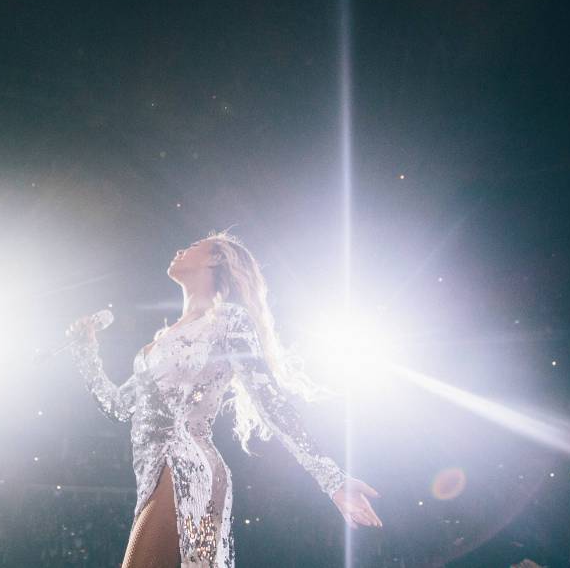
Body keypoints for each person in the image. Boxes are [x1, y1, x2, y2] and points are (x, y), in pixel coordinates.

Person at [67, 232, 382, 568]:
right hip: (153, 474)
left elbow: (270, 402)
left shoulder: (228, 321)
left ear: (216, 259)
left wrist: (332, 479)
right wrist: (86, 352)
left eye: (191, 247)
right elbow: (118, 407)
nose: (179, 248)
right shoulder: (157, 344)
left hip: (187, 465)